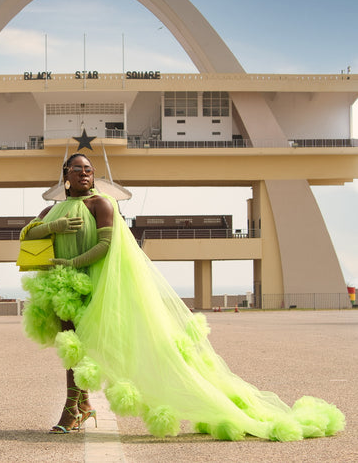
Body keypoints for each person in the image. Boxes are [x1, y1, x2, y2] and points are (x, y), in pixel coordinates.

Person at [20, 153, 345, 440]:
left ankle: (72, 409)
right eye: (77, 169)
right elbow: (29, 233)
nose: (84, 173)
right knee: (72, 346)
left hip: (97, 284)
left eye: (88, 169)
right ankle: (83, 406)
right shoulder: (53, 209)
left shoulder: (101, 204)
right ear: (65, 175)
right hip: (63, 287)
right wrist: (54, 227)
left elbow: (106, 245)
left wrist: (73, 263)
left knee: (90, 345)